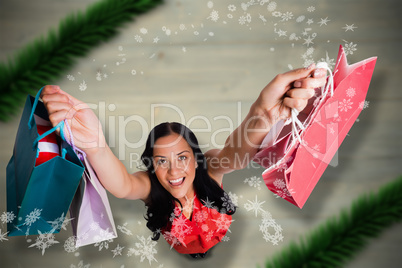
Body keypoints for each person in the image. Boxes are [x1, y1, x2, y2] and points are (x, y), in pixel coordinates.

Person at [40, 64, 327, 258]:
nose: (174, 170)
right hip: (181, 249)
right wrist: (95, 146)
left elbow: (235, 154)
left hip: (219, 238)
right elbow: (122, 185)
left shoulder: (209, 169)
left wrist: (264, 112)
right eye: (161, 161)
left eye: (182, 157)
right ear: (152, 165)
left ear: (195, 158)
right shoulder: (151, 188)